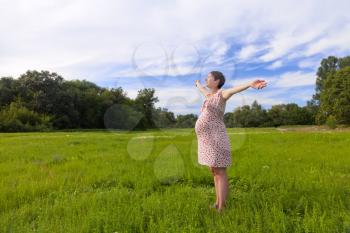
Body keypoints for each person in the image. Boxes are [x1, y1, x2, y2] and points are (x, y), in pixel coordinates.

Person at [194, 71, 267, 213]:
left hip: (216, 138)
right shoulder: (209, 96)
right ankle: (218, 203)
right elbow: (202, 89)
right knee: (214, 170)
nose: (205, 80)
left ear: (217, 81)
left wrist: (250, 84)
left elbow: (235, 89)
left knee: (220, 172)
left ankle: (222, 208)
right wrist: (197, 83)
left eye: (208, 78)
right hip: (207, 140)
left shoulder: (222, 94)